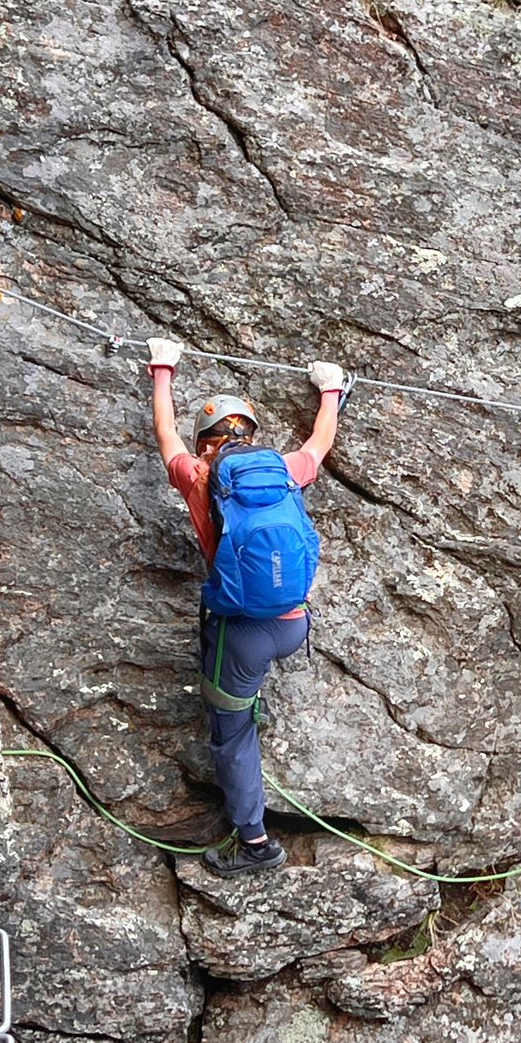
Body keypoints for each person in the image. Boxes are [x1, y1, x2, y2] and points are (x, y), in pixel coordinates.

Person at [146, 337, 346, 875]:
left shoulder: (200, 477)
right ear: (249, 437)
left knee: (232, 732)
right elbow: (320, 441)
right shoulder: (284, 469)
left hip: (243, 634)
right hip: (295, 623)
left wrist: (162, 367)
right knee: (241, 700)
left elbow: (164, 433)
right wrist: (330, 389)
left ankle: (255, 843)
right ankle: (247, 703)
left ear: (206, 443)